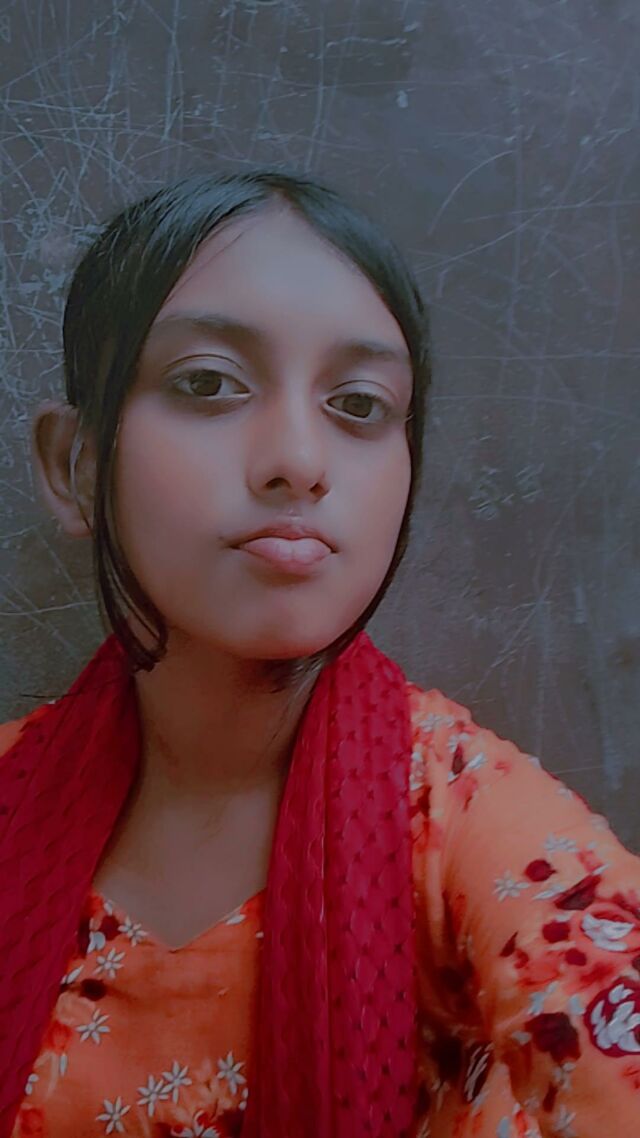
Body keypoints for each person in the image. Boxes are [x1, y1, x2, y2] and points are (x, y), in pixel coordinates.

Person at [0, 170, 638, 1138]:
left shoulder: (469, 828)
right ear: (74, 465)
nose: (299, 460)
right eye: (207, 383)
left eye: (358, 404)